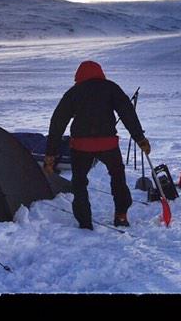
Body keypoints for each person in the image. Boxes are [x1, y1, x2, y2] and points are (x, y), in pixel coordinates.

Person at [44, 60, 150, 229]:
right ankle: (121, 216)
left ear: (78, 75)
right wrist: (140, 138)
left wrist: (50, 153)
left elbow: (57, 122)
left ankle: (85, 222)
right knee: (118, 178)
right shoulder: (110, 88)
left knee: (79, 183)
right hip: (108, 144)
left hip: (81, 146)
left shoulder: (74, 92)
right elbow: (127, 113)